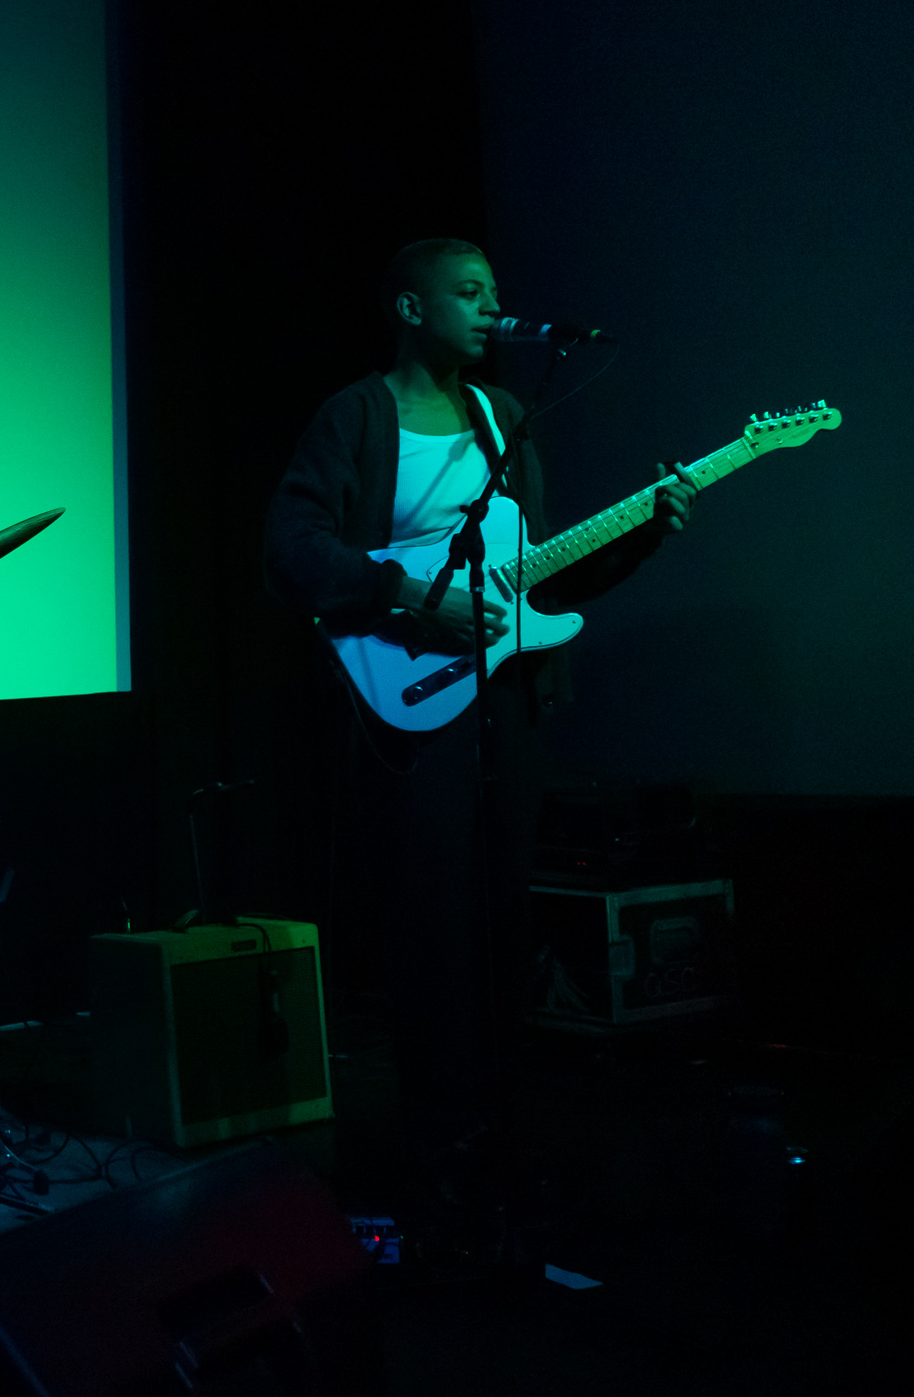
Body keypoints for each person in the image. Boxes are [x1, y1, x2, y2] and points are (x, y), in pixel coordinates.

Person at [263, 238, 697, 1230]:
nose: (490, 308)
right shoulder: (357, 416)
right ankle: (436, 1146)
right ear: (410, 308)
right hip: (408, 699)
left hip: (504, 702)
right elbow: (291, 551)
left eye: (493, 292)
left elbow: (534, 580)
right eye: (467, 293)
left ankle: (503, 1137)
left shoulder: (500, 416)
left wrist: (645, 531)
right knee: (432, 932)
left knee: (502, 925)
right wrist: (412, 596)